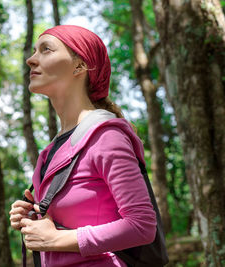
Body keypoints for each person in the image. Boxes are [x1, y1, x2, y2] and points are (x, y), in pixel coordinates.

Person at [9, 25, 157, 267]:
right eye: (34, 51)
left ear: (79, 66)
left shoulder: (106, 136)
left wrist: (57, 239)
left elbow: (142, 225)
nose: (30, 59)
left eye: (46, 50)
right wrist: (32, 216)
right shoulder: (48, 153)